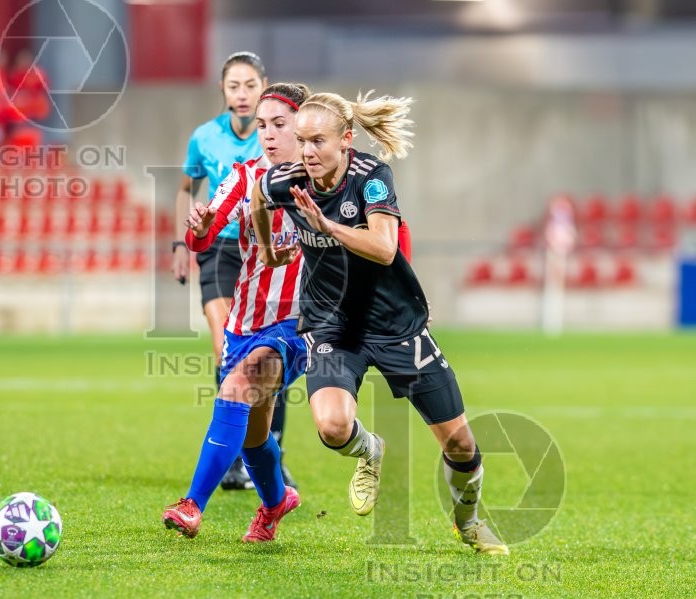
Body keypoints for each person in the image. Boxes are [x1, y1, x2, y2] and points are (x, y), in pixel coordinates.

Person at [250, 91, 509, 555]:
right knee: (331, 427)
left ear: (346, 140)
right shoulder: (286, 179)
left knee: (462, 446)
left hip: (396, 326)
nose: (307, 152)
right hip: (332, 326)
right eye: (302, 140)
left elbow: (385, 247)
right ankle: (370, 451)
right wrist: (270, 251)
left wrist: (328, 228)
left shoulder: (371, 178)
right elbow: (259, 195)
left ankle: (468, 522)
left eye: (317, 141)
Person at [162, 83, 312, 543]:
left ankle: (192, 504)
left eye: (279, 125)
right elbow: (204, 240)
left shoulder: (324, 180)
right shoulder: (245, 176)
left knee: (236, 386)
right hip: (245, 323)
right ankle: (275, 502)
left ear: (302, 127)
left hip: (298, 324)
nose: (268, 134)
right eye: (262, 126)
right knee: (253, 434)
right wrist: (202, 227)